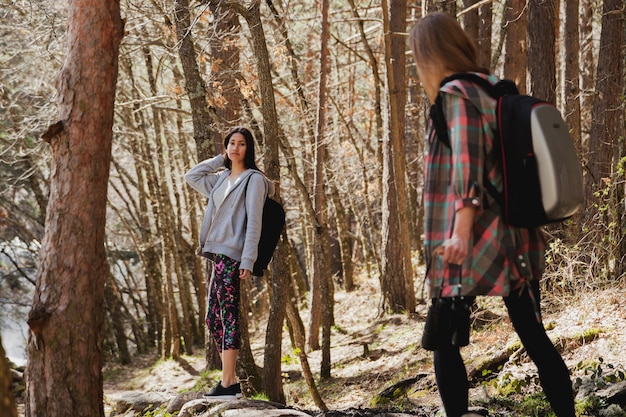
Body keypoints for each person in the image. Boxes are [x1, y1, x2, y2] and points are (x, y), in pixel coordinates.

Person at [408, 12, 575, 417]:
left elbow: (467, 165)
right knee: (533, 335)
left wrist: (460, 232)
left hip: (470, 238)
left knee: (444, 339)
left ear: (430, 54)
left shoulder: (456, 94)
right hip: (514, 233)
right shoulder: (492, 89)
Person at [185, 126, 275, 400]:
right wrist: (219, 159)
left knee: (228, 314)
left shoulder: (254, 180)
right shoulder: (221, 178)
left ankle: (227, 384)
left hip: (234, 256)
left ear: (249, 149)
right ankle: (231, 382)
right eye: (231, 143)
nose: (236, 148)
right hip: (217, 255)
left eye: (241, 144)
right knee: (213, 317)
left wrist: (248, 259)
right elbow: (192, 176)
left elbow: (254, 223)